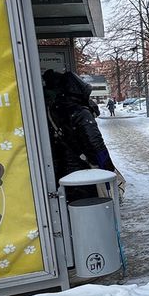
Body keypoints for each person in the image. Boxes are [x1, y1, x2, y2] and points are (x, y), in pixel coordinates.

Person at [47, 71, 121, 202]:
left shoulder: (54, 109)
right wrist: (108, 168)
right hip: (84, 170)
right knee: (91, 207)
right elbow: (96, 143)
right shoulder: (80, 112)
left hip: (62, 171)